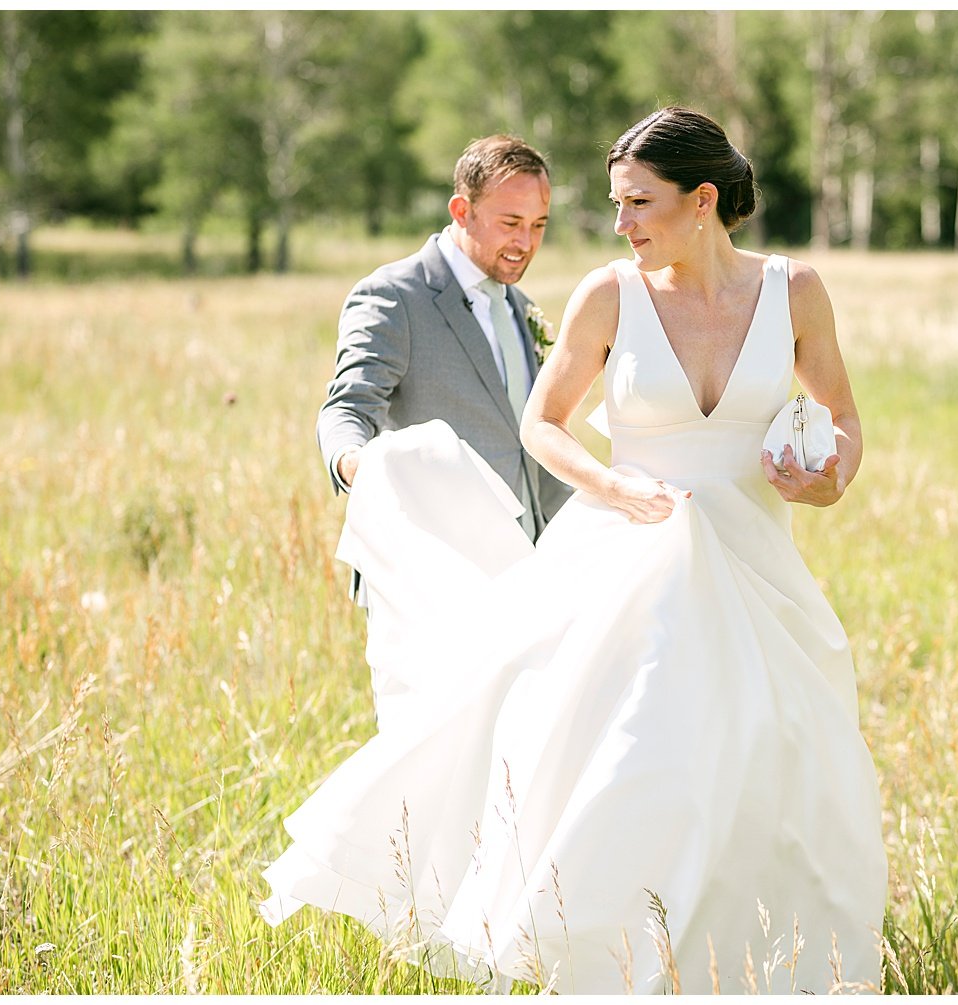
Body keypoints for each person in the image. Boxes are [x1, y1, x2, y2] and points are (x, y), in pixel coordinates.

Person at [261, 107, 887, 994]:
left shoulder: (797, 291)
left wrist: (829, 478)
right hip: (635, 556)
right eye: (615, 204)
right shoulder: (609, 294)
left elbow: (845, 421)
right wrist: (612, 485)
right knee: (639, 749)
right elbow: (542, 425)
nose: (621, 223)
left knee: (776, 750)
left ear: (702, 200)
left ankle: (761, 958)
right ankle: (608, 952)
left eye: (639, 203)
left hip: (757, 561)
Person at [317, 134, 573, 550]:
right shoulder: (393, 296)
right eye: (510, 223)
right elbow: (348, 407)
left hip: (528, 561)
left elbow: (530, 441)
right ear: (462, 211)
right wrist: (354, 464)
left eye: (538, 225)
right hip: (432, 560)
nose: (526, 243)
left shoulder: (521, 307)